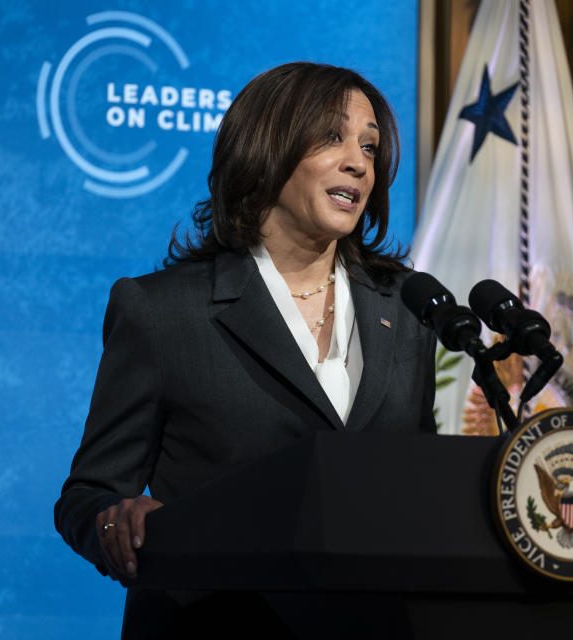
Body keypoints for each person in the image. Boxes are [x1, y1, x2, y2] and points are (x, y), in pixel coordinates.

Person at [54, 62, 437, 637]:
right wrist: (117, 521)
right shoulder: (162, 312)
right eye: (332, 136)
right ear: (266, 149)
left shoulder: (406, 308)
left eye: (370, 145)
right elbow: (89, 493)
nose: (359, 162)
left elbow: (419, 478)